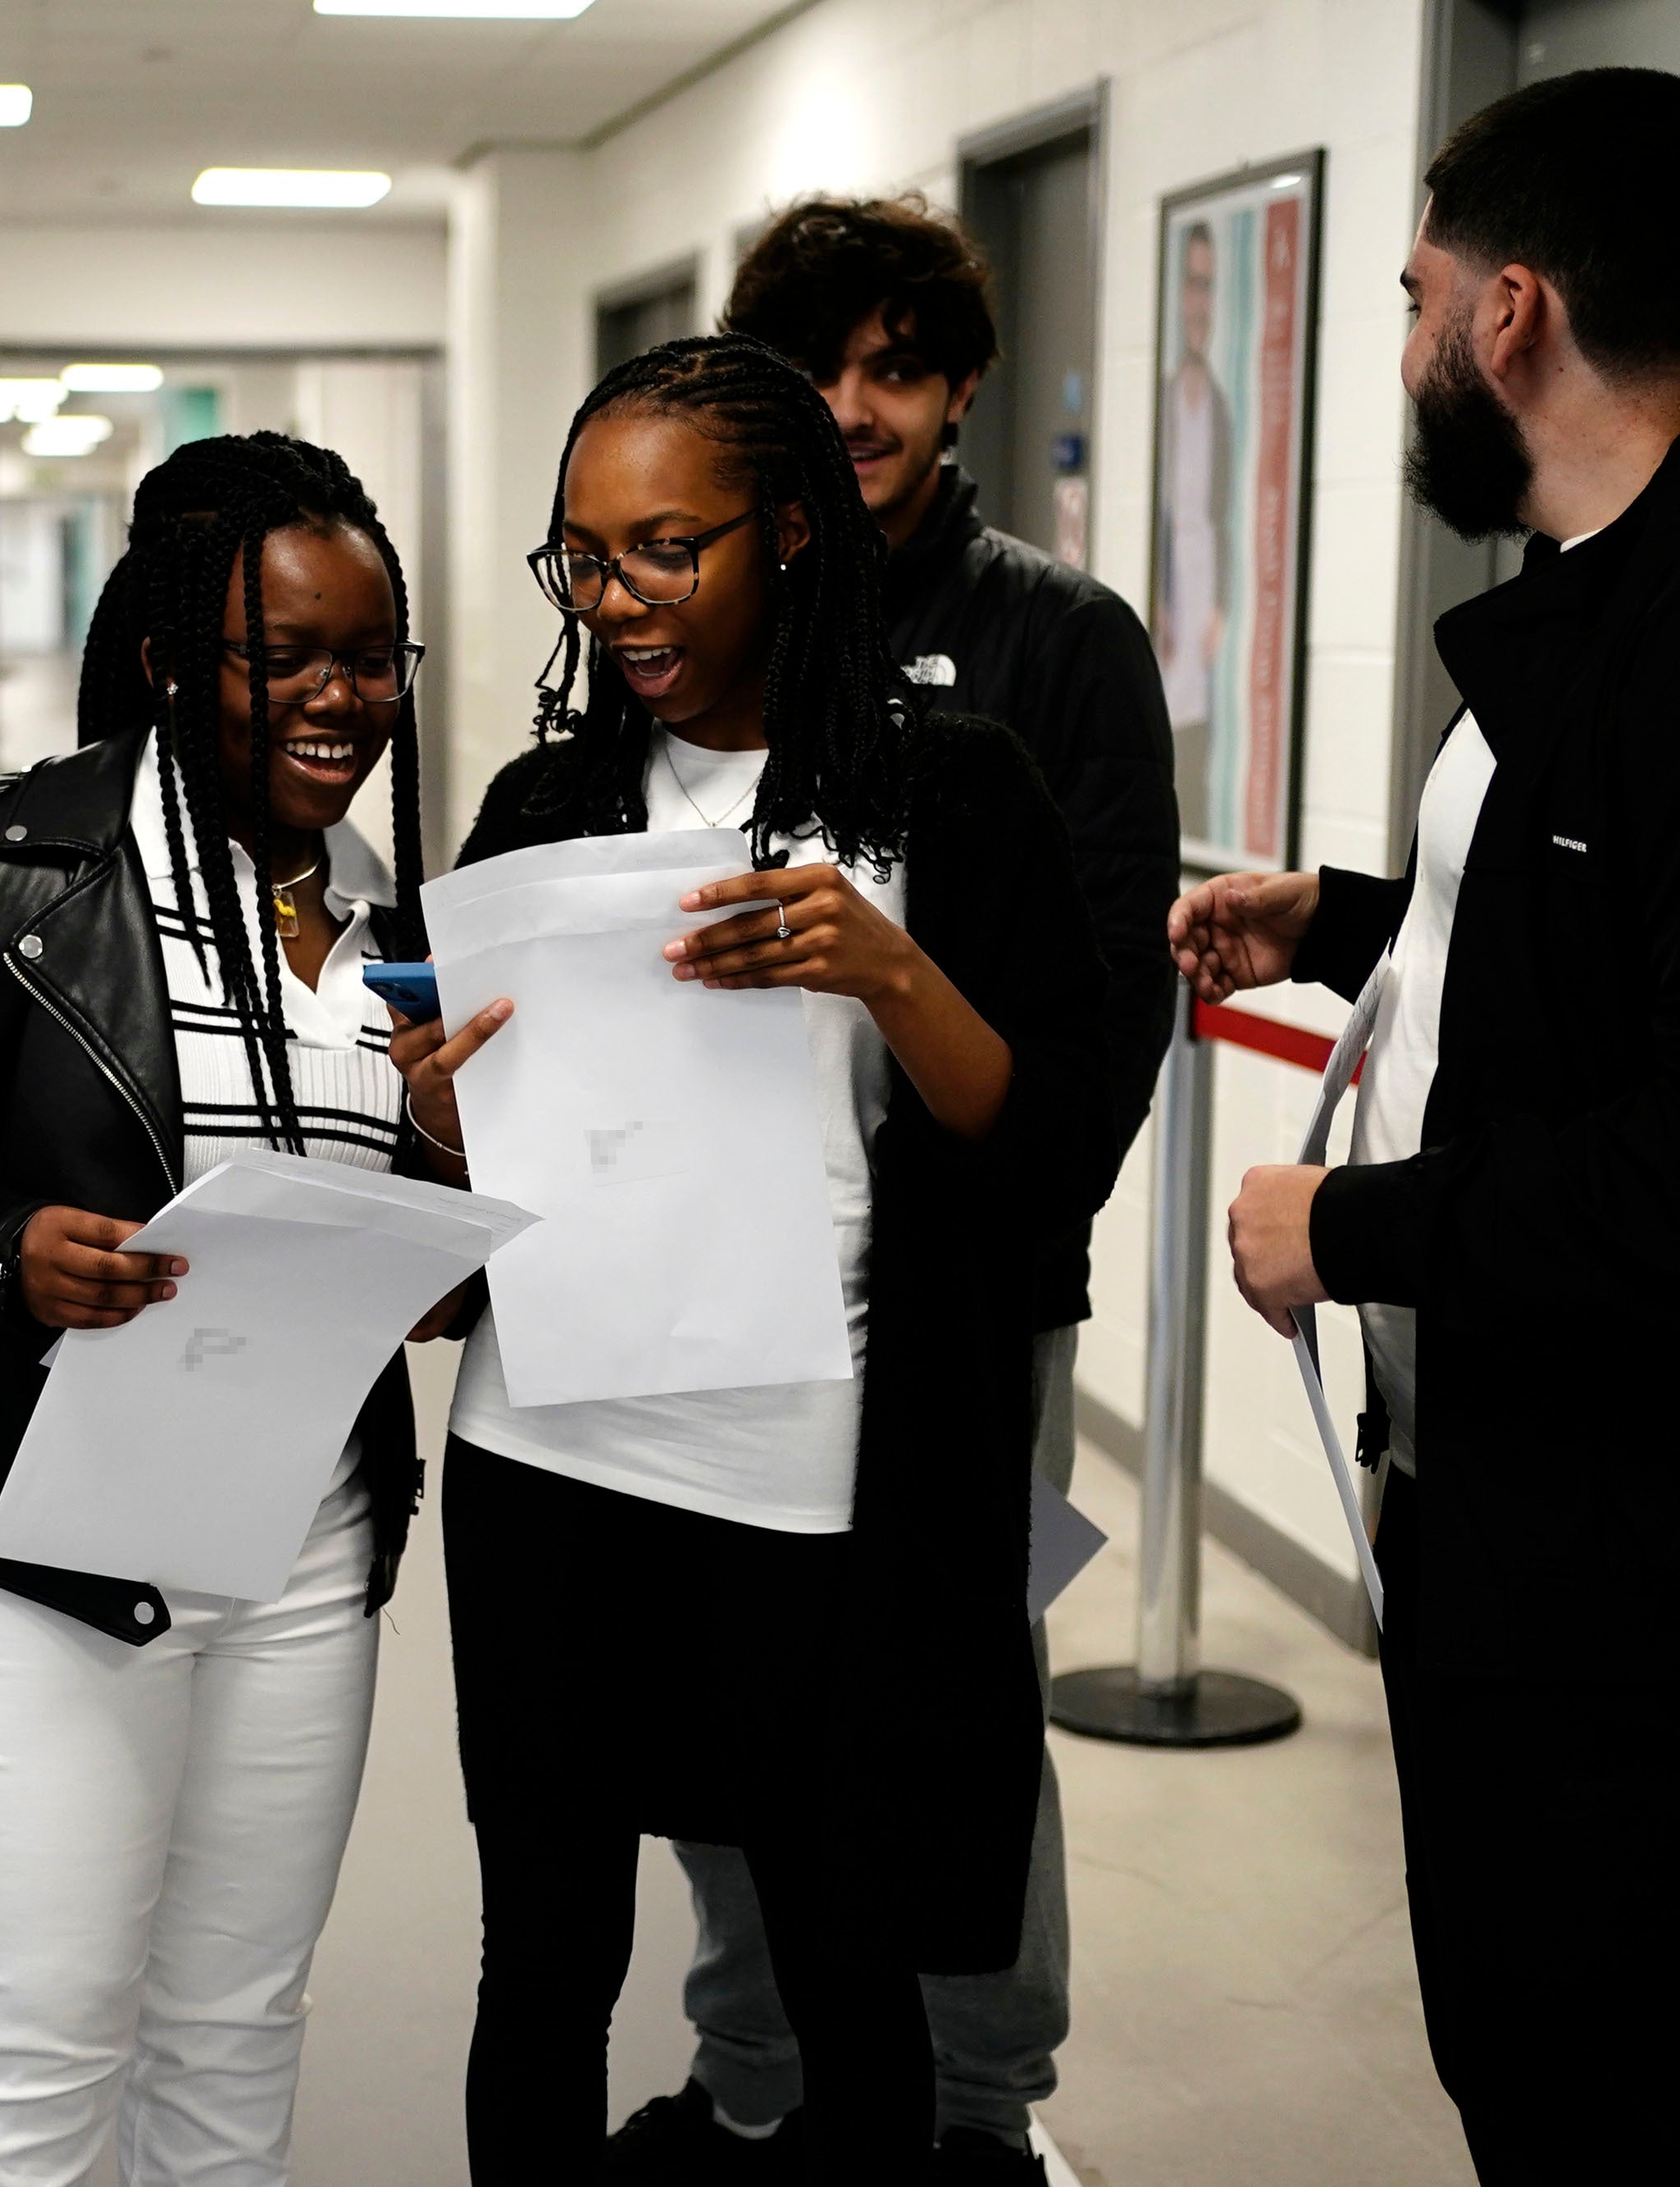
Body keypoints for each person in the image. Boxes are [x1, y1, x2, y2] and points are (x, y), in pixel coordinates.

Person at [412, 335, 1111, 2185]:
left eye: (665, 548)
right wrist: (424, 1104)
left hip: (805, 1468)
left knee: (839, 1947)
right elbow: (474, 1180)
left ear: (790, 535)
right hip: (545, 1445)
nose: (616, 600)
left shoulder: (950, 795)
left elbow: (1044, 1137)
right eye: (582, 556)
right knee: (543, 1951)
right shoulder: (542, 811)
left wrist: (880, 965)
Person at [581, 196, 1179, 2186]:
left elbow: (1092, 1008)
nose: (857, 408)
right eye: (816, 370)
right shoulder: (691, 630)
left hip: (960, 1289)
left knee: (953, 1687)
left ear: (958, 388)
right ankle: (755, 2070)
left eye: (896, 369)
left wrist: (998, 1202)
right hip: (709, 1286)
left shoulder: (1056, 643)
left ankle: (978, 2108)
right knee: (725, 1676)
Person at [0, 432, 440, 2187]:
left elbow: (425, 1251)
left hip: (300, 1539)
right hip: (28, 1527)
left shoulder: (394, 910)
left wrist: (455, 1175)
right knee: (31, 2040)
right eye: (284, 656)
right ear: (164, 661)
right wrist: (7, 1254)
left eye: (371, 657)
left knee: (234, 2028)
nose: (339, 697)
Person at [1170, 67, 1680, 2187]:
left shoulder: (1669, 649)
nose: (1401, 352)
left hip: (1618, 1574)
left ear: (1510, 317)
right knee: (1504, 2029)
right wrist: (1341, 916)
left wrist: (1344, 1228)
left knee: (1578, 2067)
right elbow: (1578, 959)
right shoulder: (1575, 603)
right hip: (1499, 1520)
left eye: (1409, 299)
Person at [1154, 221, 1234, 818]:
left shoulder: (1220, 407)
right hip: (1170, 581)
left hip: (1203, 578)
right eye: (1191, 284)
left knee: (1198, 730)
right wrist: (1161, 593)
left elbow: (1223, 513)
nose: (1199, 302)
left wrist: (1219, 605)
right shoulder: (1163, 397)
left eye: (1208, 285)